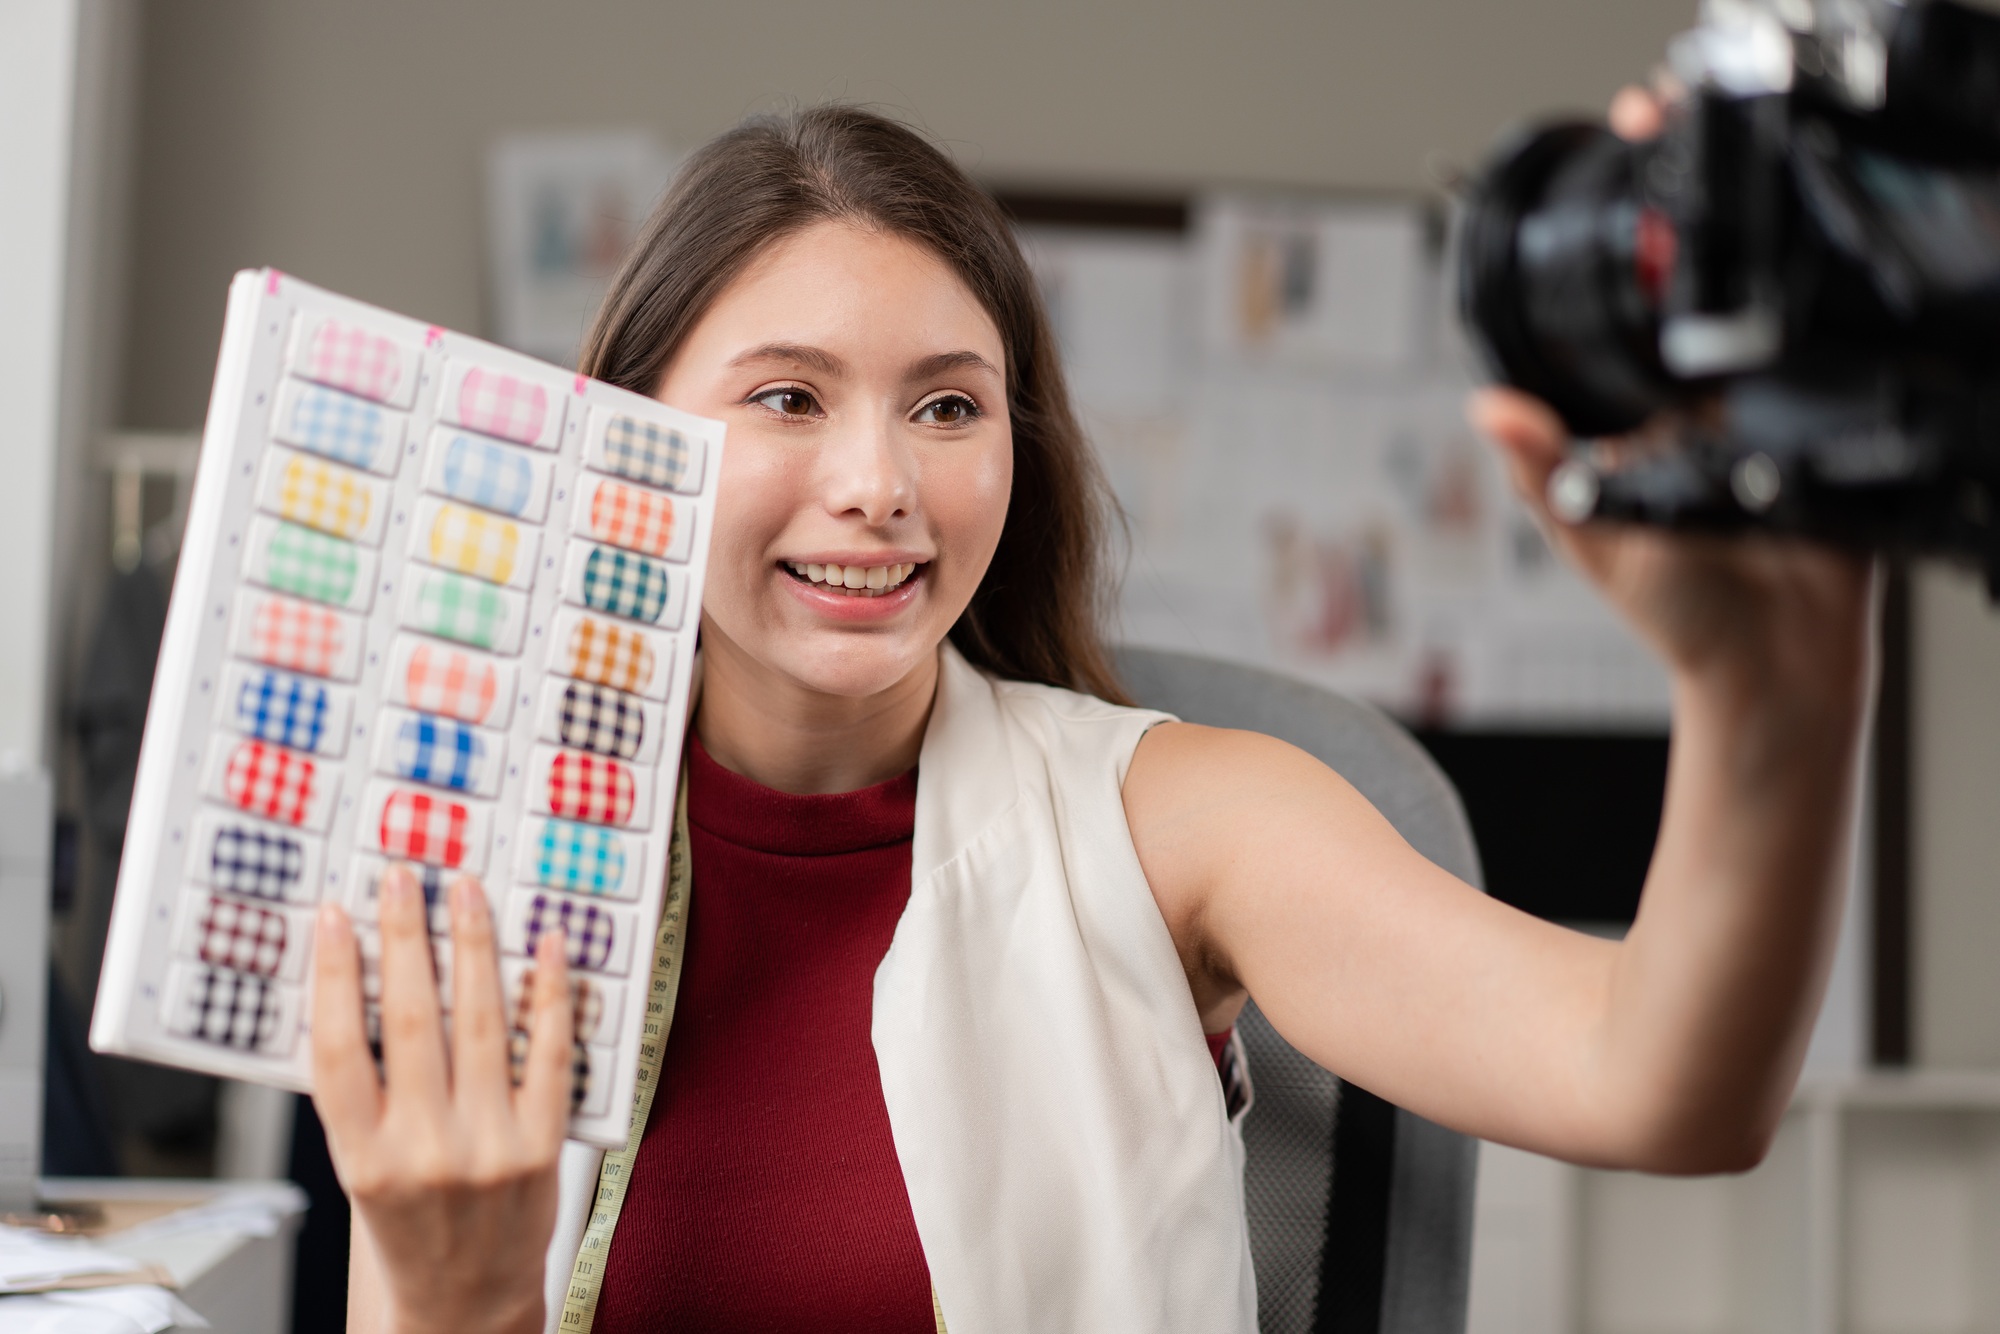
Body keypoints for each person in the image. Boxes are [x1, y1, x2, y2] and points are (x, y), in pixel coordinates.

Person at [314, 93, 1873, 1334]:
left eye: (949, 404)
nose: (881, 484)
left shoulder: (1180, 820)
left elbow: (1667, 1083)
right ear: (630, 437)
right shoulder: (476, 871)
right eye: (787, 397)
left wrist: (1770, 702)